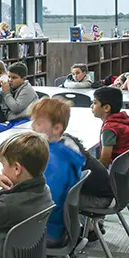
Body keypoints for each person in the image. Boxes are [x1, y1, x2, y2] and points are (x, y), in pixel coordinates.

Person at [29, 98, 86, 245]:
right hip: (57, 223)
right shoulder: (65, 149)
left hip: (46, 228)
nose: (32, 126)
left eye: (38, 123)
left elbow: (44, 202)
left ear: (57, 129)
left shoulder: (52, 161)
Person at [91, 86, 129, 180]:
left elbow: (104, 162)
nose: (91, 106)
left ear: (106, 108)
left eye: (95, 103)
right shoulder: (119, 120)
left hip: (124, 177)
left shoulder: (110, 128)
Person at [0, 62, 38, 133]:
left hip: (26, 122)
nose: (10, 80)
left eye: (14, 78)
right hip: (11, 122)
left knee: (12, 133)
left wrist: (6, 93)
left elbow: (16, 108)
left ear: (23, 79)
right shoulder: (9, 87)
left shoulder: (27, 89)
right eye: (9, 76)